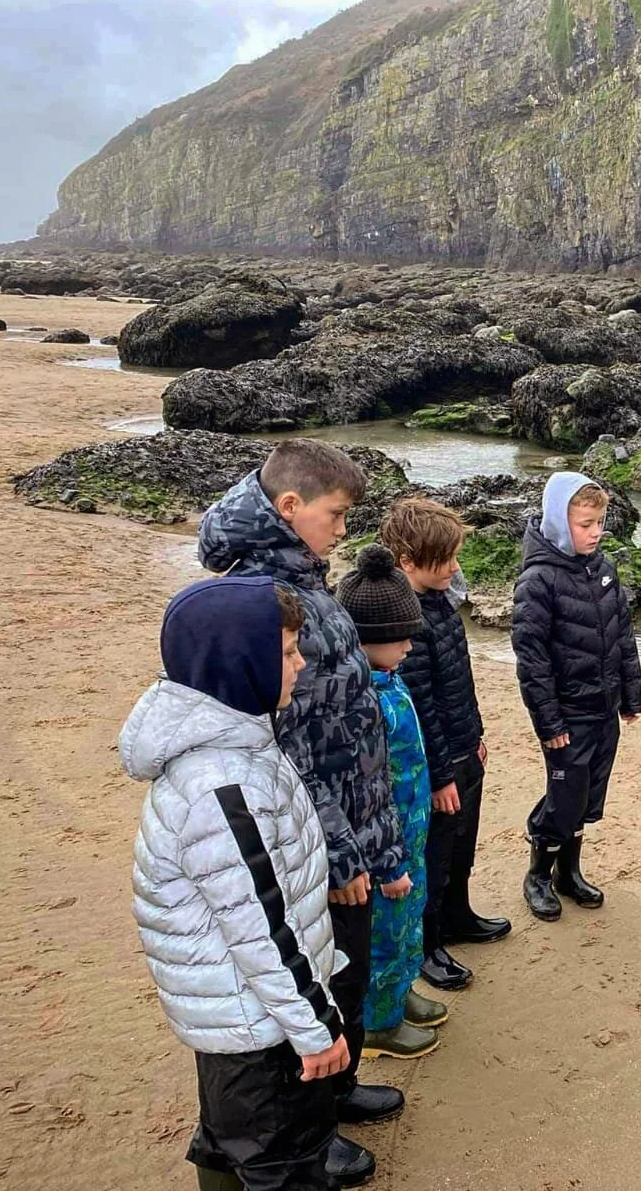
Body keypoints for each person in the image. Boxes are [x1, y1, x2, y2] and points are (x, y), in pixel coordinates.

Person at [198, 439, 400, 1187]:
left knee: (342, 976)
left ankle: (337, 1097)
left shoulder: (306, 579)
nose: (345, 529)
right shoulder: (264, 599)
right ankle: (311, 1134)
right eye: (336, 515)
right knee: (322, 980)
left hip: (346, 821)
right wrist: (345, 855)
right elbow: (291, 749)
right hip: (318, 839)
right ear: (288, 508)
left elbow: (339, 724)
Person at [126, 576, 347, 1191]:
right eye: (286, 651)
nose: (300, 664)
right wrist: (316, 1026)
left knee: (232, 1138)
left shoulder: (237, 741)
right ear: (238, 660)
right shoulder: (224, 783)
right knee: (282, 1161)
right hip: (259, 1022)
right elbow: (260, 925)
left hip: (241, 1014)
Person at [382, 498, 510, 995]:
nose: (456, 567)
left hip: (463, 745)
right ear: (408, 561)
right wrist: (439, 777)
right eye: (447, 559)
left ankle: (458, 913)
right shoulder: (403, 618)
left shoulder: (442, 601)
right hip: (436, 761)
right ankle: (429, 941)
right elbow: (420, 708)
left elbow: (459, 681)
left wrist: (475, 737)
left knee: (461, 843)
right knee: (433, 852)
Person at [512, 473, 641, 921]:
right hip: (566, 716)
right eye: (585, 523)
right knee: (564, 795)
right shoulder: (538, 581)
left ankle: (569, 873)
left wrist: (631, 696)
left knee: (588, 795)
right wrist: (549, 725)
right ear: (557, 520)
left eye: (600, 522)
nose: (595, 532)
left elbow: (623, 636)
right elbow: (532, 663)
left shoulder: (603, 570)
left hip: (603, 707)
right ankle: (538, 875)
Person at [336, 544, 449, 1060]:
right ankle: (379, 1021)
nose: (408, 644)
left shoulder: (392, 681)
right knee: (385, 928)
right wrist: (385, 863)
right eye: (398, 637)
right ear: (364, 640)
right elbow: (359, 791)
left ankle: (400, 995)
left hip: (411, 828)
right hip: (385, 846)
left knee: (411, 917)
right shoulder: (361, 702)